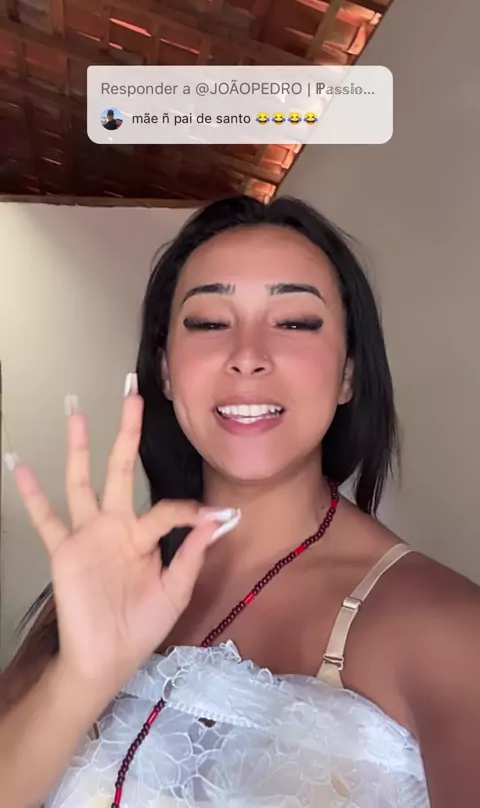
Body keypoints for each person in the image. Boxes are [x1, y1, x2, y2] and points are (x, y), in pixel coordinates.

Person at [0, 195, 479, 808]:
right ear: (165, 369)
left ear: (349, 374)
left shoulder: (447, 629)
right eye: (208, 323)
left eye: (295, 322)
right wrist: (78, 683)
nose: (248, 356)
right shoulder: (104, 586)